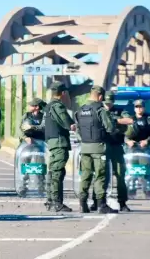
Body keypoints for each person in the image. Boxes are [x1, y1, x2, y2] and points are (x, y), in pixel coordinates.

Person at [75, 85, 118, 214]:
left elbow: (77, 129)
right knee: (100, 176)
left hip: (85, 147)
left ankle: (82, 204)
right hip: (99, 148)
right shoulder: (100, 110)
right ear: (100, 97)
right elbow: (110, 128)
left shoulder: (80, 110)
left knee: (85, 175)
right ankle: (101, 205)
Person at [89, 91, 132, 212]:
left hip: (116, 146)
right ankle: (96, 201)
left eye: (110, 102)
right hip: (102, 145)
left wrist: (112, 120)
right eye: (106, 103)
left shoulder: (119, 110)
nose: (108, 105)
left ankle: (122, 202)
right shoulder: (99, 110)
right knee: (101, 175)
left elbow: (129, 120)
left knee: (120, 175)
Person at [41, 81, 76, 212]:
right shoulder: (57, 106)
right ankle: (57, 202)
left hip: (52, 142)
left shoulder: (48, 106)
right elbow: (67, 122)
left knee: (53, 171)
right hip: (59, 142)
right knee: (58, 172)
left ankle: (50, 200)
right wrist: (73, 126)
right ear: (62, 93)